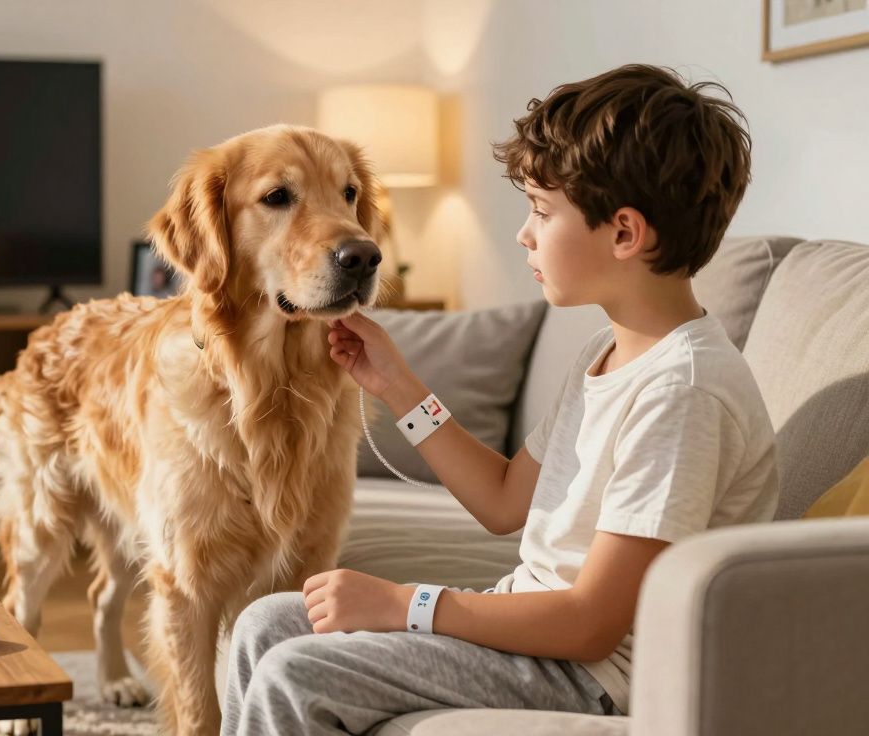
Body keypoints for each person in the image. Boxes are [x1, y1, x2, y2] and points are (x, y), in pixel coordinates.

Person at [221, 63, 778, 735]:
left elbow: (593, 625)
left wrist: (408, 605)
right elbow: (505, 501)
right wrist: (397, 384)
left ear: (625, 234)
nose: (524, 234)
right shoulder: (605, 354)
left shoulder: (684, 392)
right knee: (265, 623)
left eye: (542, 212)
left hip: (589, 677)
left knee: (295, 671)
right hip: (537, 642)